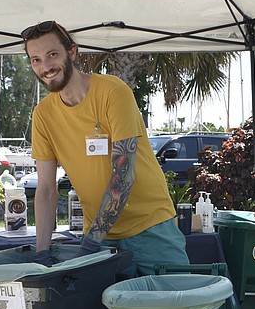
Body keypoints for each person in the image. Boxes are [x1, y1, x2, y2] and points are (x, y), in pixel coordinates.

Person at [22, 20, 189, 276]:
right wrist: (42, 253)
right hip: (100, 239)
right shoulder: (43, 114)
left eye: (52, 54)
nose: (45, 67)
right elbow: (45, 190)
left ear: (72, 52)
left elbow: (123, 176)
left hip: (151, 229)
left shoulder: (113, 91)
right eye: (35, 60)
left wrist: (89, 246)